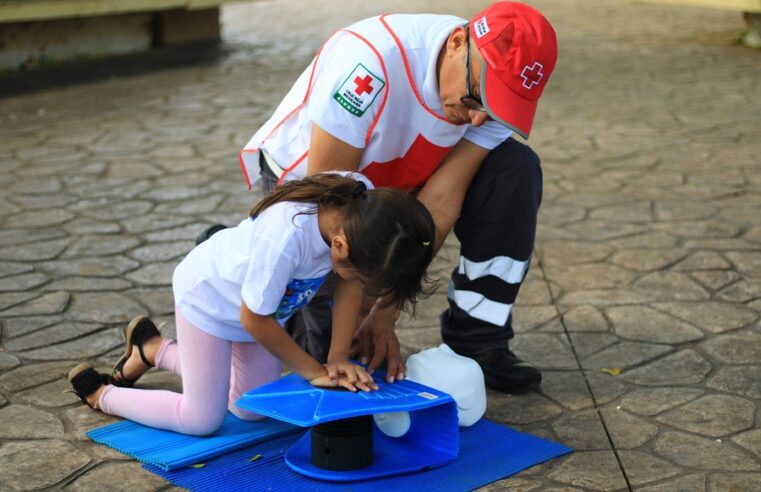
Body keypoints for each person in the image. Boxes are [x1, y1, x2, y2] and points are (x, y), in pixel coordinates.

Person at [200, 2, 558, 394]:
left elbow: (437, 205)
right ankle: (232, 252)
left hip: (397, 188)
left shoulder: (484, 102)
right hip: (316, 193)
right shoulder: (369, 65)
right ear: (458, 42)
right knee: (330, 355)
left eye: (495, 110)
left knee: (513, 168)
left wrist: (386, 309)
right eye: (475, 99)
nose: (477, 120)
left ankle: (478, 340)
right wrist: (352, 317)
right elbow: (334, 207)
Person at [66, 172, 436, 435]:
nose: (364, 289)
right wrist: (313, 371)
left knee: (250, 409)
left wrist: (337, 357)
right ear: (339, 246)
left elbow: (347, 283)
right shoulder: (287, 238)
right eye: (364, 277)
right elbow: (254, 319)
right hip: (209, 302)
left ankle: (153, 349)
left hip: (261, 310)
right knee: (200, 420)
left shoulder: (362, 206)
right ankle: (103, 394)